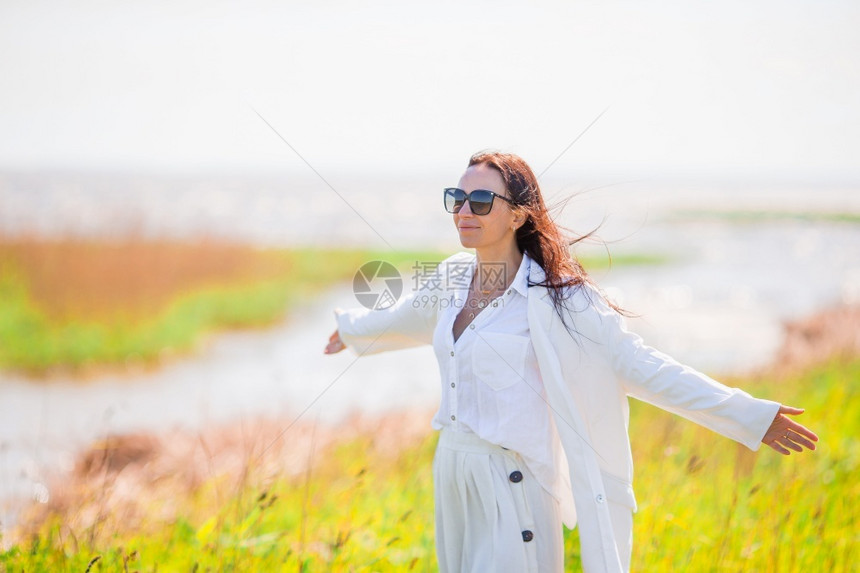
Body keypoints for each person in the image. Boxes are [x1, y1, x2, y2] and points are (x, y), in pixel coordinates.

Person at [323, 151, 818, 573]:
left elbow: (641, 364)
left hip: (512, 482)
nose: (463, 212)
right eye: (457, 199)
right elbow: (403, 318)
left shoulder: (562, 299)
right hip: (452, 472)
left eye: (480, 201)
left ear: (517, 215)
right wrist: (349, 330)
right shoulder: (452, 278)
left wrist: (748, 415)